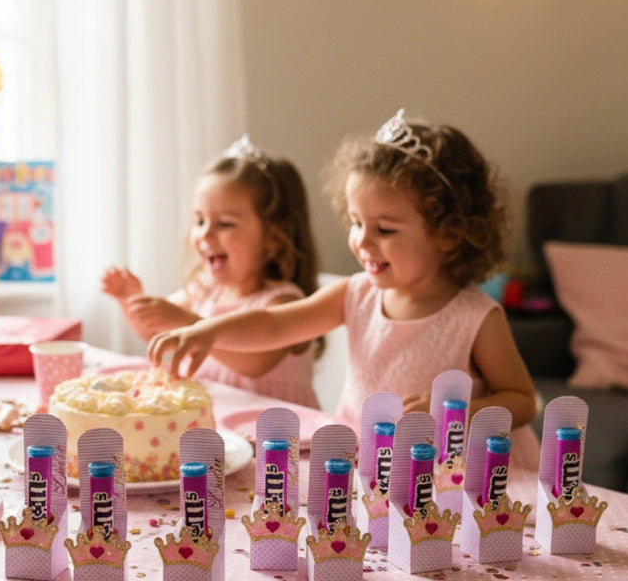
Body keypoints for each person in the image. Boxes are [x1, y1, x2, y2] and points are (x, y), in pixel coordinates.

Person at [148, 110, 539, 452]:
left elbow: (522, 400)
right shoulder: (355, 294)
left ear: (450, 233)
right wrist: (207, 332)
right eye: (356, 222)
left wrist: (458, 412)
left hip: (452, 477)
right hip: (368, 459)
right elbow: (275, 323)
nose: (362, 241)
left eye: (384, 229)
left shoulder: (475, 318)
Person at [102, 136, 323, 407]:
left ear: (273, 238)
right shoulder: (205, 292)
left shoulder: (284, 303)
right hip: (219, 431)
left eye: (225, 223)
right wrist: (133, 301)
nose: (205, 233)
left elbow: (254, 362)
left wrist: (187, 322)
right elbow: (156, 333)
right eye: (200, 220)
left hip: (280, 436)